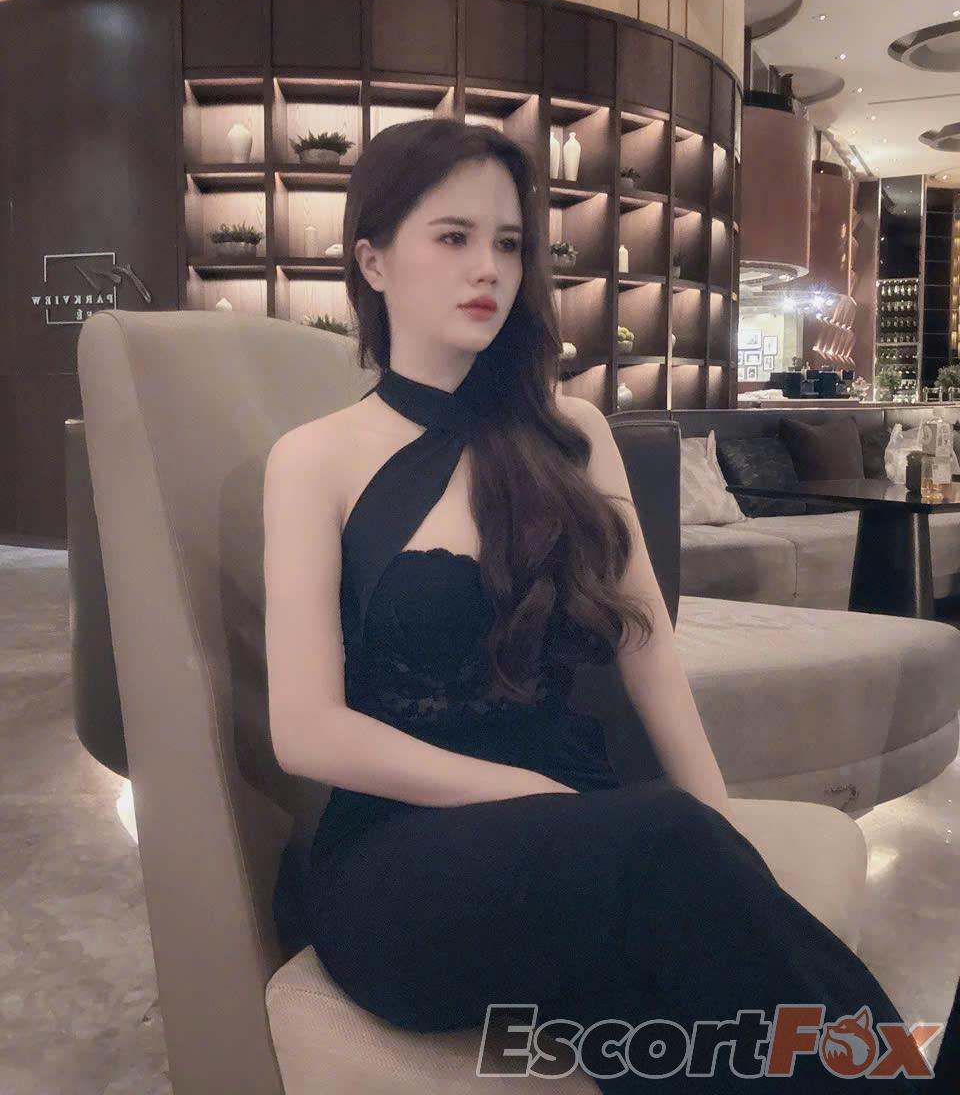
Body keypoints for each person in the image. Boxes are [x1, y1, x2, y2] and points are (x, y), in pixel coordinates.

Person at [265, 117, 958, 1090]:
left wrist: (722, 828)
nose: (489, 267)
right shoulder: (314, 459)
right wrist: (543, 799)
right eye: (453, 236)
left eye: (509, 242)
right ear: (372, 260)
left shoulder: (572, 434)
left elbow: (648, 648)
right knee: (663, 851)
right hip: (402, 859)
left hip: (585, 835)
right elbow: (306, 732)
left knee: (689, 1019)